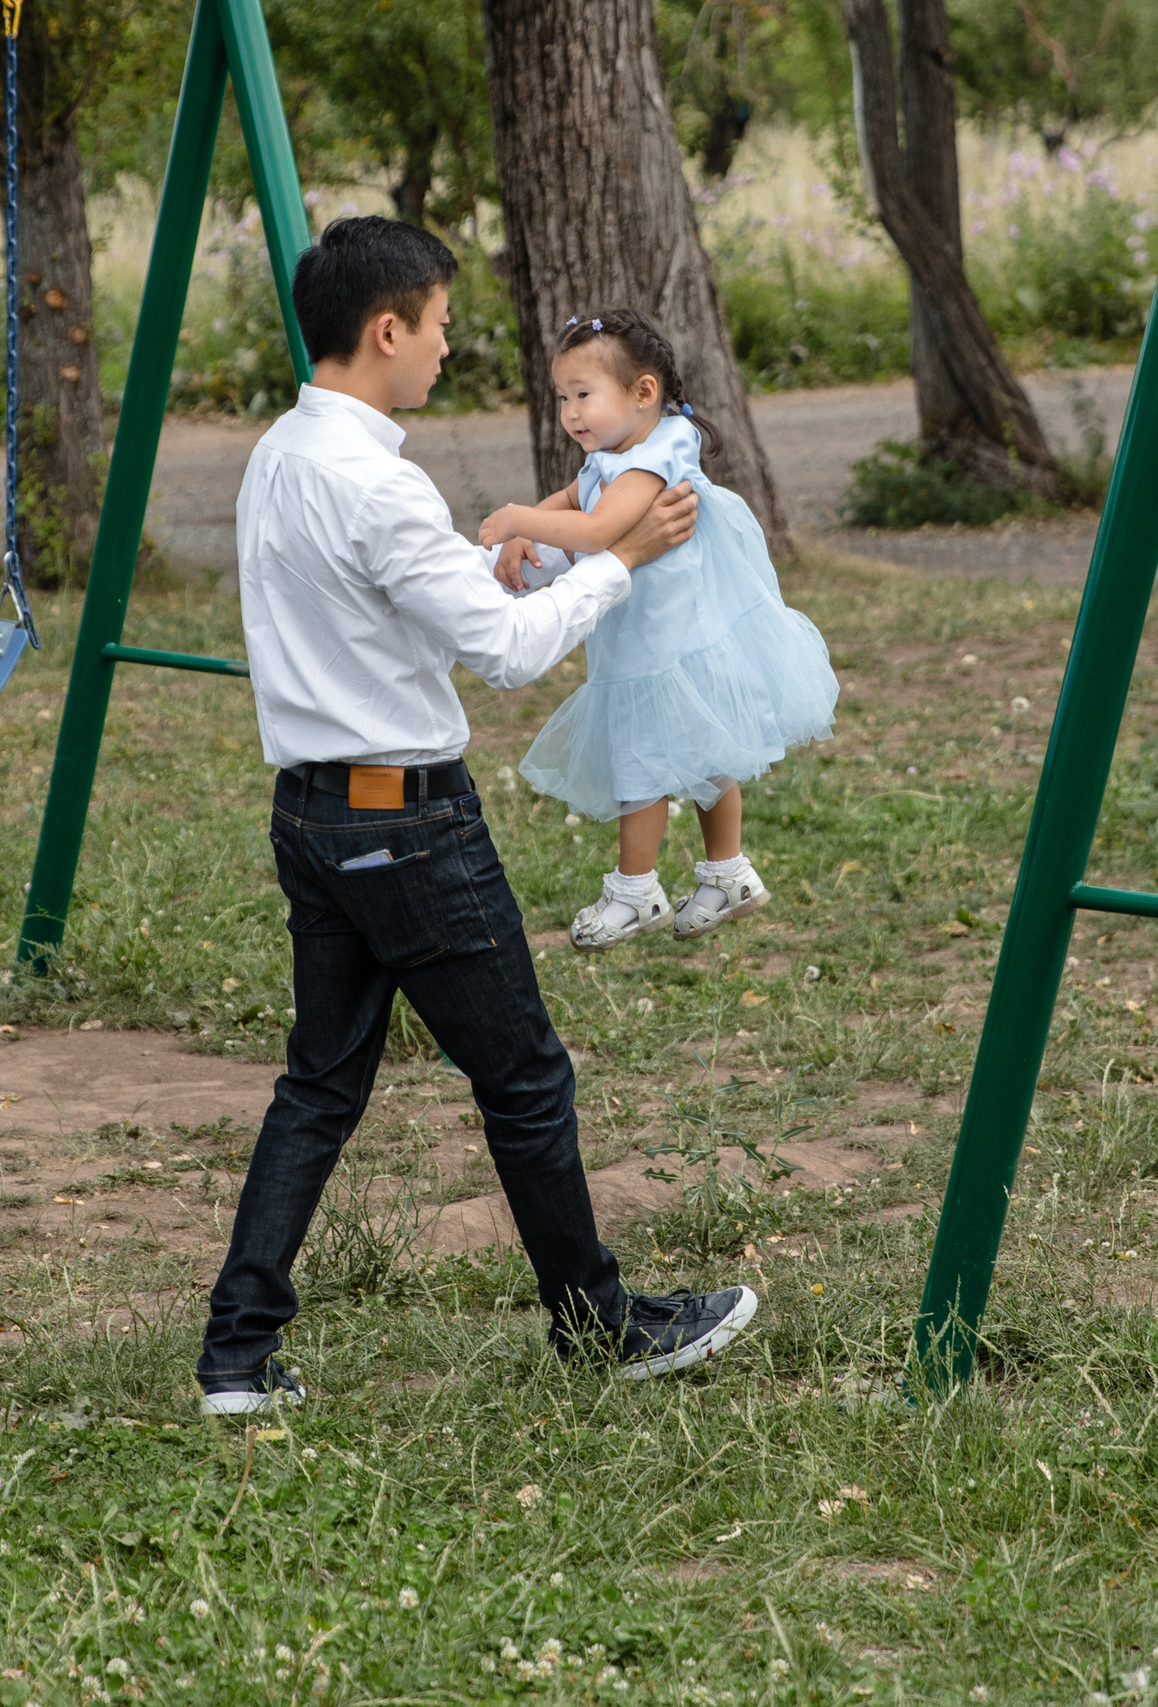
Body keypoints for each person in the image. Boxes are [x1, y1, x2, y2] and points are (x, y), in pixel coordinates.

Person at [198, 217, 760, 1415]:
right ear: (387, 329)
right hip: (408, 825)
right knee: (523, 1081)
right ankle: (600, 1328)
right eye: (441, 324)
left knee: (319, 1083)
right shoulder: (374, 478)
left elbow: (377, 598)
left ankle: (236, 1358)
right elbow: (505, 656)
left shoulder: (280, 455)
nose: (448, 347)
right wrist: (622, 565)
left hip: (310, 816)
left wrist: (482, 560)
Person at [481, 308, 837, 951]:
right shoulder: (616, 452)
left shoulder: (655, 456)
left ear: (644, 393)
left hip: (669, 641)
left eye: (583, 396)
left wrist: (513, 519)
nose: (570, 413)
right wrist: (534, 523)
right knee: (702, 752)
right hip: (651, 635)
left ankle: (635, 889)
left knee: (646, 755)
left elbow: (595, 530)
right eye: (563, 398)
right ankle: (727, 872)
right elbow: (573, 500)